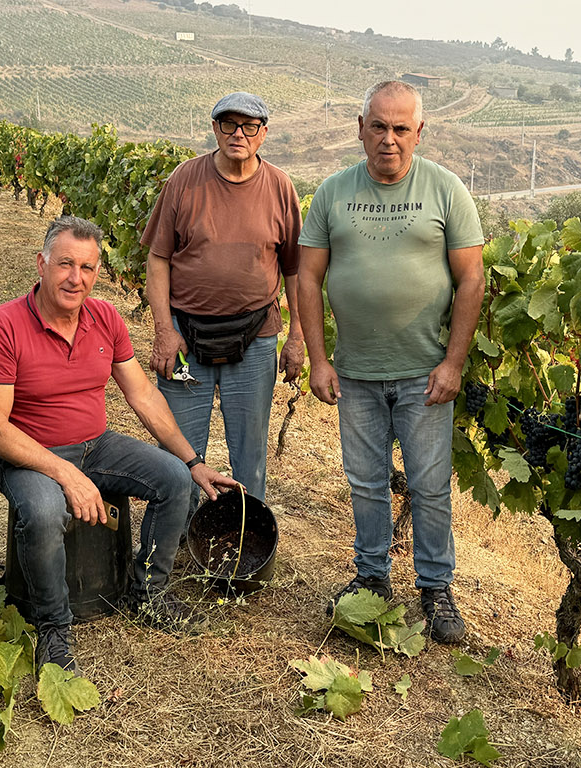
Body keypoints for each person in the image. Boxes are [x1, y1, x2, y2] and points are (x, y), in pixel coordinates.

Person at [0, 215, 240, 673]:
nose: (76, 279)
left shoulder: (106, 318)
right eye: (65, 264)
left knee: (175, 479)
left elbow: (143, 395)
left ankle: (147, 592)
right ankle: (53, 627)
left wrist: (193, 460)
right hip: (26, 455)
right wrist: (65, 474)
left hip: (95, 443)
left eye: (88, 268)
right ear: (41, 264)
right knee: (42, 512)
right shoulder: (2, 326)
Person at [296, 81, 484, 644]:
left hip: (425, 373)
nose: (389, 139)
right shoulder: (332, 193)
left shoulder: (446, 191)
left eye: (402, 128)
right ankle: (372, 578)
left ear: (419, 133)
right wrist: (318, 359)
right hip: (354, 371)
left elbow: (472, 278)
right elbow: (307, 276)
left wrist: (453, 362)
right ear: (360, 127)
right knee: (366, 482)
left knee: (429, 485)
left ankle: (435, 589)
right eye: (378, 126)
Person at [141, 91, 303, 513]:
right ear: (214, 129)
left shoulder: (280, 187)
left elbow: (295, 271)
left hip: (255, 340)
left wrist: (298, 338)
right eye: (229, 124)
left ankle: (244, 540)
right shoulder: (184, 179)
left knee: (249, 457)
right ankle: (180, 538)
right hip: (184, 337)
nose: (239, 134)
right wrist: (164, 331)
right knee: (179, 453)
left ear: (263, 133)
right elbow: (157, 259)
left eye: (250, 126)